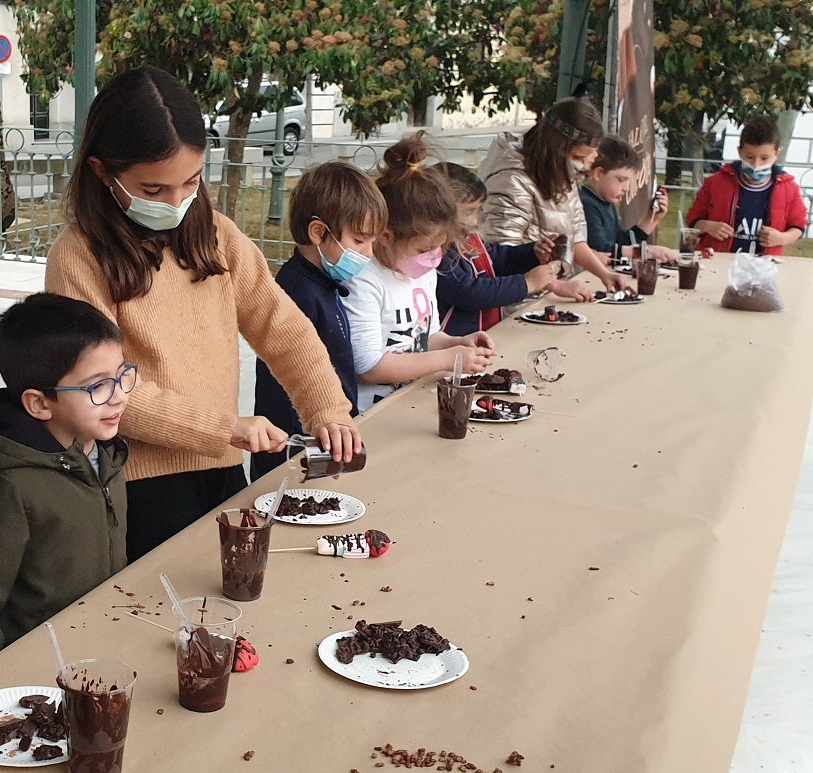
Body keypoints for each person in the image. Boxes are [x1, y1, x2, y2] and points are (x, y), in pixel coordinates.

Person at [45, 66, 361, 560]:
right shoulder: (78, 257)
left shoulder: (217, 235)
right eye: (153, 190)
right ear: (102, 171)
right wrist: (223, 428)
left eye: (191, 182)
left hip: (223, 467)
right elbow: (101, 388)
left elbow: (284, 328)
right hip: (136, 481)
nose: (176, 202)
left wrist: (328, 409)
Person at [0, 294, 131, 691]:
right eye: (97, 386)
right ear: (39, 404)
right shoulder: (5, 487)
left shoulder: (102, 450)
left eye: (123, 375)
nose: (120, 395)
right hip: (32, 682)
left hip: (93, 656)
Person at [250, 161, 388, 481]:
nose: (369, 253)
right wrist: (320, 450)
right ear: (318, 232)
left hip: (327, 439)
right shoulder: (297, 292)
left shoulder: (324, 281)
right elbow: (292, 385)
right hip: (295, 453)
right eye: (359, 240)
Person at [342, 132, 497, 414]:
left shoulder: (423, 271)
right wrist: (446, 359)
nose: (434, 257)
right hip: (372, 415)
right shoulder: (363, 280)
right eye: (425, 248)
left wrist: (456, 343)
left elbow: (425, 337)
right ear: (385, 236)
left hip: (410, 400)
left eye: (440, 247)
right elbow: (369, 368)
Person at [478, 97, 630, 292]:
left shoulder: (561, 171)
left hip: (544, 292)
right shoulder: (511, 180)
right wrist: (556, 286)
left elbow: (574, 237)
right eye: (578, 157)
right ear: (557, 149)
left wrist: (604, 274)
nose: (583, 166)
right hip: (516, 298)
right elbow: (502, 255)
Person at [435, 162, 593, 338]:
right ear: (440, 211)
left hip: (483, 336)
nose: (475, 221)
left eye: (478, 211)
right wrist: (527, 284)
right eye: (468, 212)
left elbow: (498, 260)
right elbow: (469, 293)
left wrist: (532, 253)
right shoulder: (436, 255)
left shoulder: (468, 239)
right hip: (454, 344)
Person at [685, 115, 809, 257]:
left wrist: (782, 238)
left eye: (764, 158)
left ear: (777, 154)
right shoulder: (716, 183)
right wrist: (709, 226)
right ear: (740, 152)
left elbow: (799, 226)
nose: (756, 164)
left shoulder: (788, 188)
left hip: (765, 264)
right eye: (750, 157)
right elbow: (693, 220)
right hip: (720, 261)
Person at [579, 136, 679, 263]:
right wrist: (644, 252)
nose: (626, 188)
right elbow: (600, 250)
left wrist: (651, 219)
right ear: (599, 174)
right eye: (621, 180)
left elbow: (622, 242)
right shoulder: (586, 204)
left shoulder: (606, 203)